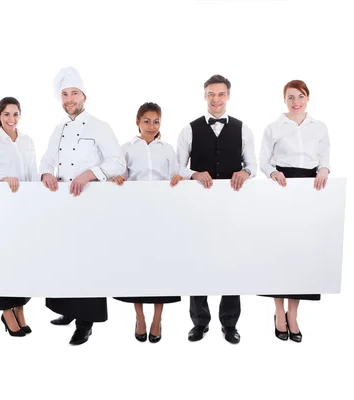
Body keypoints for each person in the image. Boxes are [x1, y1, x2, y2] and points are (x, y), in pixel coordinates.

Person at [39, 66, 126, 345]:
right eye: (65, 94)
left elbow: (117, 163)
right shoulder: (58, 129)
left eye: (74, 93)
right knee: (64, 259)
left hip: (90, 203)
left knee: (88, 261)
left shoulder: (100, 126)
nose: (69, 99)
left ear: (84, 97)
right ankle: (67, 310)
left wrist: (89, 174)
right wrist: (46, 174)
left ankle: (85, 323)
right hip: (63, 204)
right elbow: (46, 160)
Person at [176, 74, 257, 344]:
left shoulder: (243, 128)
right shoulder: (189, 129)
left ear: (228, 96)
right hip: (198, 208)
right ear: (205, 96)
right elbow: (177, 168)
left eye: (221, 94)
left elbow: (252, 166)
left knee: (231, 262)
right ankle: (199, 323)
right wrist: (194, 174)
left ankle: (230, 324)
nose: (216, 99)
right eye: (211, 94)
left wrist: (245, 173)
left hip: (232, 209)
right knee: (198, 261)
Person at [259, 79, 330, 342]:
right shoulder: (274, 127)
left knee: (301, 253)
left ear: (307, 98)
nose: (295, 101)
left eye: (300, 96)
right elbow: (263, 161)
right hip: (281, 186)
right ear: (284, 100)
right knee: (278, 251)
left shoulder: (319, 127)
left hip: (309, 188)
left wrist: (324, 170)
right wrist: (273, 172)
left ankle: (293, 314)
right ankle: (278, 312)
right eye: (290, 97)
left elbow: (325, 158)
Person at [111, 102, 183, 343]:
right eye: (147, 121)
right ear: (137, 122)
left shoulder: (168, 149)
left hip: (162, 213)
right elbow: (121, 174)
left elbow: (177, 174)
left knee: (161, 266)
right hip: (137, 214)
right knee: (138, 266)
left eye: (156, 122)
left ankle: (157, 318)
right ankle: (140, 316)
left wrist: (177, 177)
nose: (152, 126)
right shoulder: (127, 148)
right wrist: (119, 178)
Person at [0, 96, 38, 337]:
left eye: (15, 114)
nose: (11, 119)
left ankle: (20, 308)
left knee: (21, 262)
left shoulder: (27, 141)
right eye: (6, 114)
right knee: (2, 261)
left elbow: (33, 173)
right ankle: (6, 310)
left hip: (24, 209)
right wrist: (3, 181)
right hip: (1, 209)